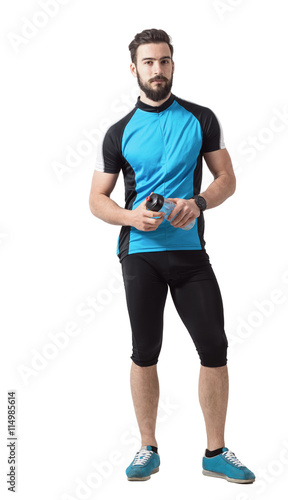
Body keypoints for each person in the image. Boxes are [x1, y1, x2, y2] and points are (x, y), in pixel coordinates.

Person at [89, 28, 255, 484]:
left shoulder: (201, 119)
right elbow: (96, 199)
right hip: (139, 254)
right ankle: (148, 449)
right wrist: (129, 216)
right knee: (145, 352)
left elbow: (226, 179)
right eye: (148, 63)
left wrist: (198, 202)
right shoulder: (118, 132)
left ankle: (215, 453)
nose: (157, 70)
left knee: (215, 349)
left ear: (173, 65)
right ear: (134, 70)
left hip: (190, 254)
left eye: (164, 61)